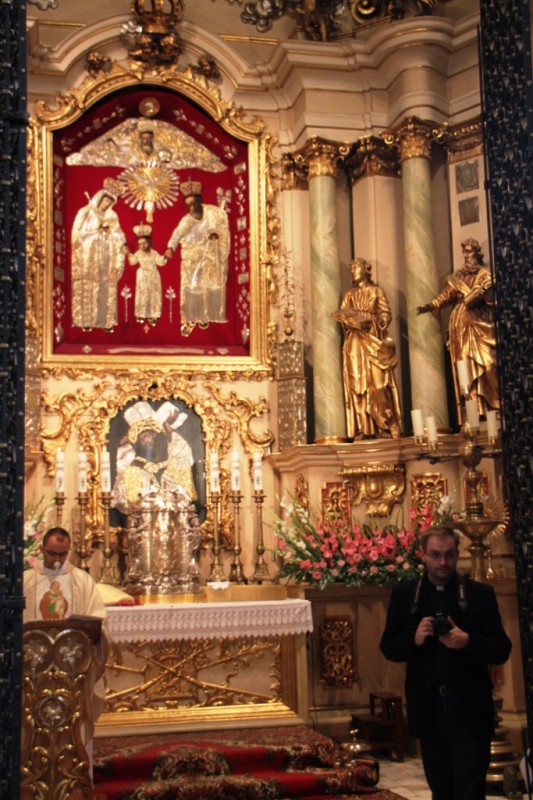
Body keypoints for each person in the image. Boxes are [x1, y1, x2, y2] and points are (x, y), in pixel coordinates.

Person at [380, 525, 512, 800]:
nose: (443, 562)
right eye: (435, 555)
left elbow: (502, 649)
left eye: (449, 555)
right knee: (441, 790)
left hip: (470, 709)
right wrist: (414, 639)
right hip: (430, 710)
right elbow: (388, 646)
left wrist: (468, 641)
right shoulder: (407, 595)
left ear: (457, 554)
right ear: (423, 555)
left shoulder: (479, 594)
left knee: (470, 790)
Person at [23, 526, 109, 761]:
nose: (57, 559)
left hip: (72, 671)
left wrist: (95, 632)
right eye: (52, 553)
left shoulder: (82, 581)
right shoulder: (27, 581)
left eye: (63, 554)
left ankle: (74, 776)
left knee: (74, 729)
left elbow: (100, 622)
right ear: (42, 549)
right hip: (34, 672)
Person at [416, 238, 500, 420]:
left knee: (488, 363)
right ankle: (474, 413)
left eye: (469, 251)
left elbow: (493, 299)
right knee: (465, 369)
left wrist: (483, 293)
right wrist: (432, 305)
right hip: (460, 326)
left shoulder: (485, 274)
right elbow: (446, 296)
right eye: (464, 252)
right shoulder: (457, 277)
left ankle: (496, 406)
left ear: (476, 253)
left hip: (480, 322)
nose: (466, 255)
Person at [332, 257, 402, 439]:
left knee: (378, 385)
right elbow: (343, 314)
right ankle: (365, 428)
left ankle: (387, 424)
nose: (352, 271)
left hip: (373, 338)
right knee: (358, 385)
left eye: (356, 267)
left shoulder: (376, 291)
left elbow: (385, 312)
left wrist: (381, 320)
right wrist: (348, 321)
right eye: (351, 268)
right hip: (354, 342)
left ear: (365, 269)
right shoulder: (349, 295)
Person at [165, 179, 230, 336]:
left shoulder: (213, 213)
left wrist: (217, 236)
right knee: (191, 288)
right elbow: (177, 234)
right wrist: (170, 247)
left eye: (194, 204)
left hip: (208, 256)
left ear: (200, 201)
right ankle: (190, 319)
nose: (192, 208)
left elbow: (223, 227)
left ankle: (204, 316)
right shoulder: (187, 220)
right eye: (189, 205)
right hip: (190, 259)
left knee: (208, 286)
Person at [71, 182, 126, 331]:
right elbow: (77, 235)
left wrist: (121, 244)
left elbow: (118, 234)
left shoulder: (112, 216)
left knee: (105, 288)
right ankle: (87, 321)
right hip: (89, 257)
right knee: (88, 288)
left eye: (110, 202)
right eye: (105, 200)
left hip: (106, 257)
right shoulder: (87, 212)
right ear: (100, 198)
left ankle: (105, 322)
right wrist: (96, 232)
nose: (106, 204)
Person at [126, 223, 168, 324]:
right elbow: (133, 262)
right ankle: (141, 314)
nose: (142, 245)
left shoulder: (154, 253)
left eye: (144, 243)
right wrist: (128, 254)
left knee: (153, 295)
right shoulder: (138, 253)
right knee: (142, 295)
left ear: (149, 242)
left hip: (153, 276)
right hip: (142, 276)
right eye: (140, 244)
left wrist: (165, 256)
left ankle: (153, 316)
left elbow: (160, 262)